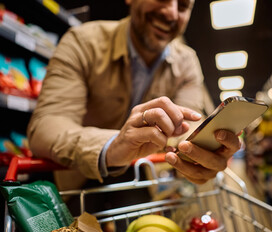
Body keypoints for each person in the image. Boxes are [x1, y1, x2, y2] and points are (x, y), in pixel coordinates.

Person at [27, 0, 241, 189]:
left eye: (183, 5)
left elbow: (187, 124)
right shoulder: (82, 41)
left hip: (140, 180)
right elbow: (45, 126)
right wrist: (113, 146)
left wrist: (205, 147)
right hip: (73, 180)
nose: (172, 13)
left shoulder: (187, 61)